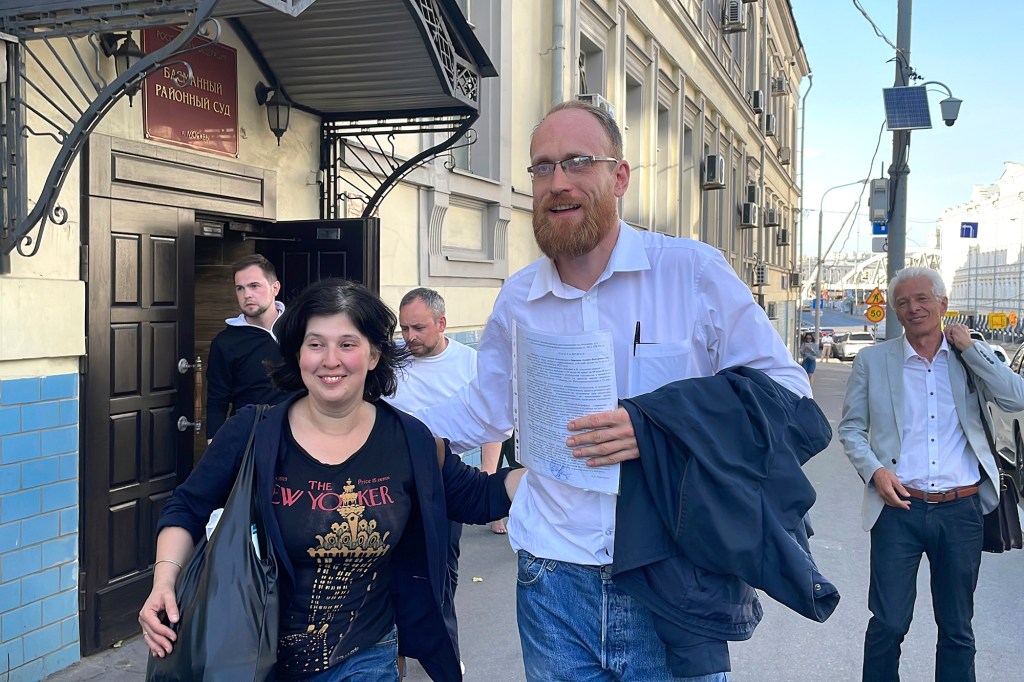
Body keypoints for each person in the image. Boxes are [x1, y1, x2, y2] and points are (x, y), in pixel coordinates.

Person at [417, 100, 812, 681]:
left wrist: (655, 425)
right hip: (552, 579)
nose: (558, 183)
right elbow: (485, 410)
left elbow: (789, 398)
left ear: (619, 176)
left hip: (672, 575)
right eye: (542, 167)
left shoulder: (691, 273)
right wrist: (372, 420)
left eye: (578, 162)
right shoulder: (520, 297)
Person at [138, 278, 524, 682]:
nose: (330, 360)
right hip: (253, 650)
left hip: (366, 654)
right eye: (316, 344)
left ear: (375, 354)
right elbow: (186, 507)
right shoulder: (254, 432)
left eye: (347, 344)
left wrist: (556, 471)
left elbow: (482, 496)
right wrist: (164, 581)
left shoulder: (410, 440)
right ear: (298, 352)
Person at [838, 267, 1024, 682]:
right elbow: (850, 428)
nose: (913, 308)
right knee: (888, 623)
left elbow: (1015, 397)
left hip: (960, 510)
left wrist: (971, 348)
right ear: (895, 311)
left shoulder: (969, 355)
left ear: (942, 304)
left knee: (957, 627)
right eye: (903, 302)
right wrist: (875, 472)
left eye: (922, 299)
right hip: (897, 509)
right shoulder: (873, 361)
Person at [385, 288, 506, 533]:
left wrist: (487, 473)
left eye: (419, 328)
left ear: (441, 323)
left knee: (443, 560)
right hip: (391, 477)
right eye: (405, 328)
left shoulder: (471, 363)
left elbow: (491, 420)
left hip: (442, 477)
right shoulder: (391, 358)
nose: (410, 337)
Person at [206, 254, 288, 441]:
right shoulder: (225, 342)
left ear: (275, 288)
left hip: (303, 432)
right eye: (240, 288)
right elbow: (217, 400)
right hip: (251, 437)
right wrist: (214, 445)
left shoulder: (300, 328)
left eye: (254, 286)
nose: (247, 295)